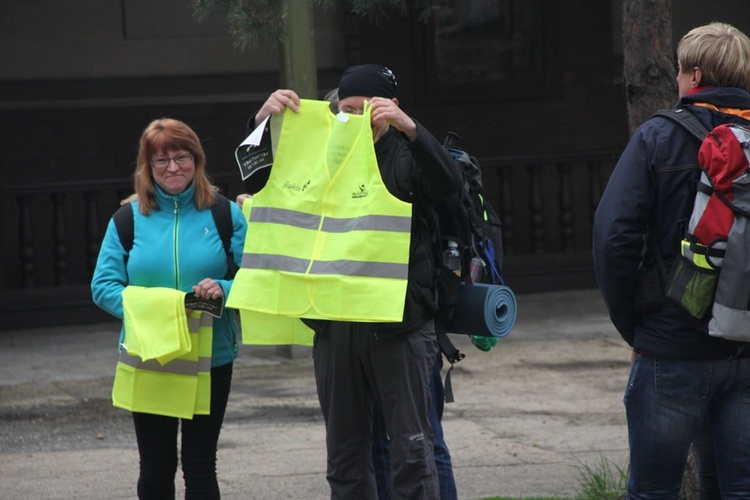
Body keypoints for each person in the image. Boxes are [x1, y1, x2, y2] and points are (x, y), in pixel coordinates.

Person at [246, 65, 464, 499]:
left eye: (370, 111)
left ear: (392, 107)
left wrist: (412, 129)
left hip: (399, 327)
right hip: (335, 324)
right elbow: (260, 185)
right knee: (344, 459)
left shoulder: (406, 153)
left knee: (412, 455)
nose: (359, 120)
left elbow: (447, 184)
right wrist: (259, 125)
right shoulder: (320, 151)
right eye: (347, 110)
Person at [592, 22, 750, 498]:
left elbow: (614, 237)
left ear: (695, 76)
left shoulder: (658, 137)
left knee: (652, 491)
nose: (677, 81)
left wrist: (634, 327)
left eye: (680, 72)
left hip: (673, 343)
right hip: (745, 344)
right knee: (736, 489)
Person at [91, 118, 247, 499]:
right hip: (150, 354)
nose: (173, 168)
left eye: (181, 157)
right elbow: (103, 287)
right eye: (161, 161)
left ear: (197, 159)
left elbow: (256, 278)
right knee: (157, 468)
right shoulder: (127, 219)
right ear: (147, 167)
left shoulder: (226, 214)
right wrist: (161, 308)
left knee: (199, 466)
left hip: (212, 355)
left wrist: (224, 288)